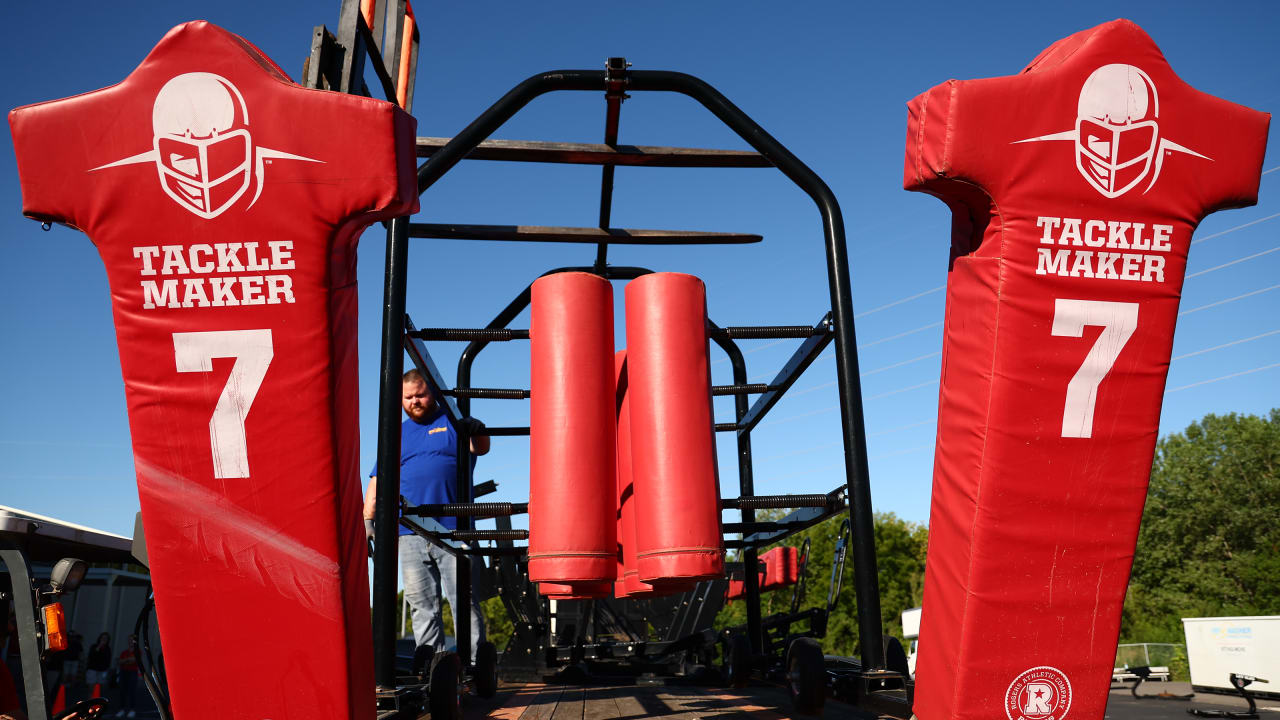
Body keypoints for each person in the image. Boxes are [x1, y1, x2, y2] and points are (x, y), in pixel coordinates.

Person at [364, 369, 489, 655]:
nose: (414, 401)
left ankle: (470, 667)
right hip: (409, 531)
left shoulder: (453, 423)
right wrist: (368, 520)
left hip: (454, 529)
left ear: (431, 393)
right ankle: (431, 669)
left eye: (420, 395)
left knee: (464, 602)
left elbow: (480, 448)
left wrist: (478, 428)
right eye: (408, 397)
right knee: (421, 605)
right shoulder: (396, 432)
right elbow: (378, 480)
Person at [114, 636, 139, 718]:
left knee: (132, 691)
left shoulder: (137, 651)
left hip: (133, 672)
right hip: (123, 672)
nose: (130, 642)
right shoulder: (124, 652)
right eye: (129, 640)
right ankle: (121, 709)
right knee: (122, 691)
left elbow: (134, 660)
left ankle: (132, 710)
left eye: (132, 640)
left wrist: (124, 660)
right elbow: (119, 661)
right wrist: (127, 660)